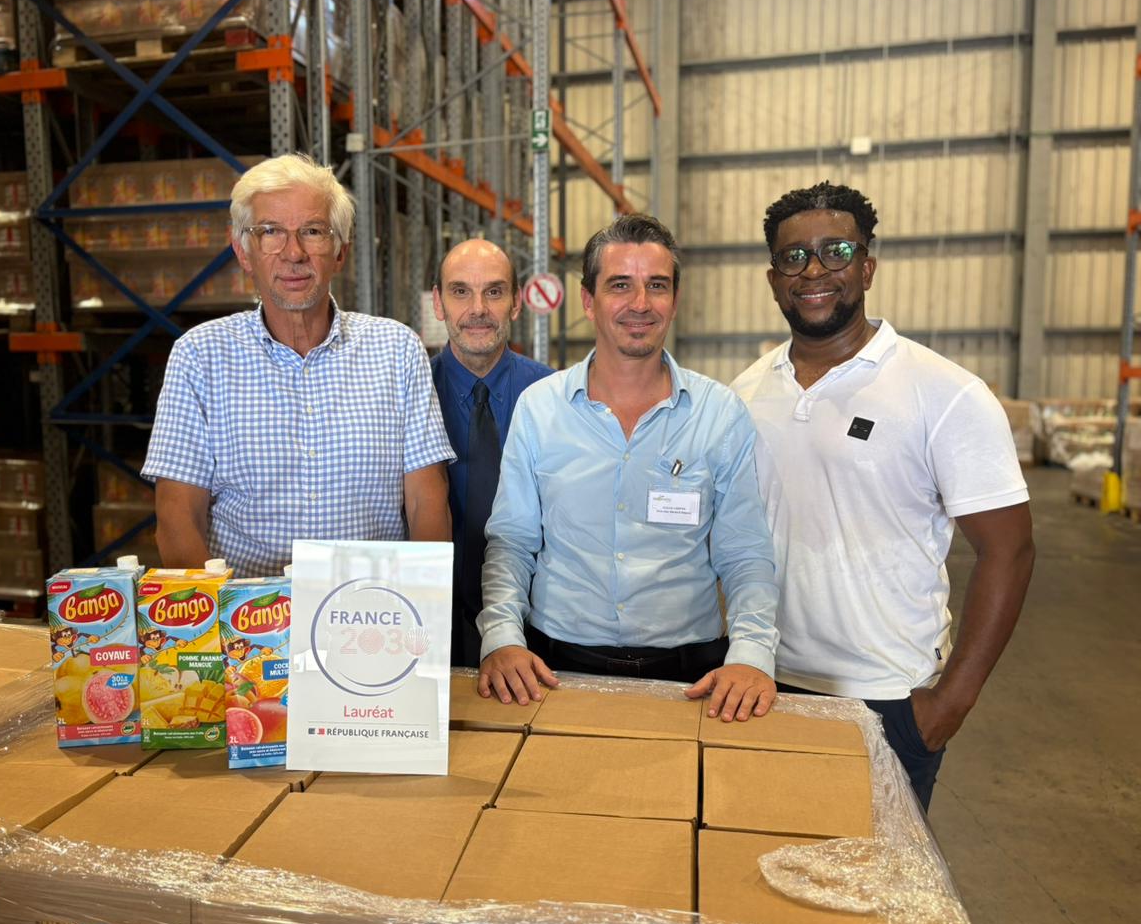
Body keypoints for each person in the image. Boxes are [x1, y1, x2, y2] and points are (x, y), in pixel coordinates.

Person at [732, 181, 1035, 810]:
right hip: (763, 685)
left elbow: (1009, 550)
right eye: (794, 257)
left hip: (887, 696)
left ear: (866, 267)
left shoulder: (942, 392)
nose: (814, 270)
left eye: (836, 251)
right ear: (773, 279)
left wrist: (949, 704)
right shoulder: (747, 392)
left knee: (869, 876)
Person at [475, 214, 781, 723]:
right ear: (588, 300)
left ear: (674, 301)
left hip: (692, 677)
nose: (640, 303)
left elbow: (745, 552)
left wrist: (750, 655)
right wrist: (502, 638)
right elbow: (512, 541)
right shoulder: (540, 409)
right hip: (555, 669)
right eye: (620, 285)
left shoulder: (719, 414)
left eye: (656, 285)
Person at [142, 153, 454, 577]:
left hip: (371, 608)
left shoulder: (398, 350)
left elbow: (426, 501)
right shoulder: (200, 356)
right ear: (244, 252)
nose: (294, 253)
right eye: (270, 231)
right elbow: (177, 516)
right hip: (247, 613)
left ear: (340, 252)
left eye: (313, 231)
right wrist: (221, 615)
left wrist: (421, 602)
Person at [429, 239, 553, 666]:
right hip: (429, 620)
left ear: (516, 303)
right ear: (438, 303)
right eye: (460, 291)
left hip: (534, 626)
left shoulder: (552, 396)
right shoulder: (409, 394)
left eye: (494, 292)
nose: (478, 309)